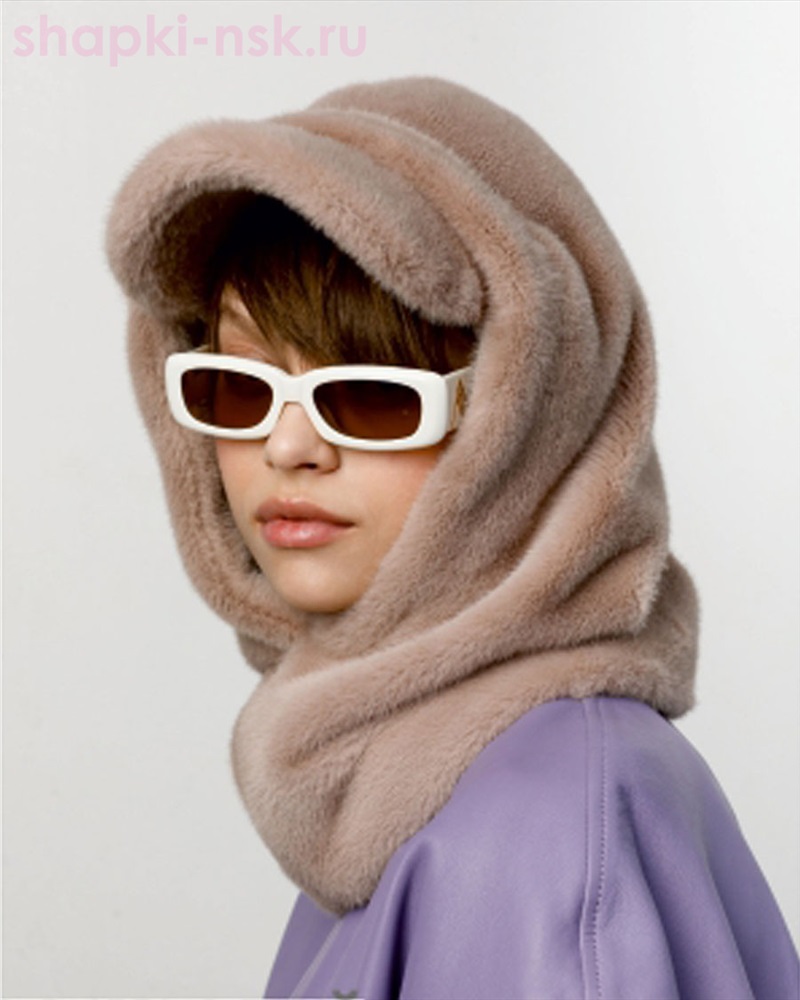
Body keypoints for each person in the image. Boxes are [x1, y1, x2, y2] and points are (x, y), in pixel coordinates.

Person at [106, 78, 798, 999]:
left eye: (372, 395)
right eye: (240, 387)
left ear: (524, 425)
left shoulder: (548, 825)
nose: (287, 446)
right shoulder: (409, 774)